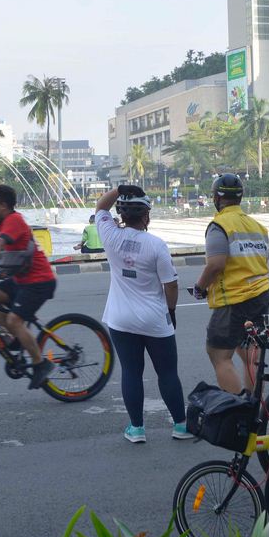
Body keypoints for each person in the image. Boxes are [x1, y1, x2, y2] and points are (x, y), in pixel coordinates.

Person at [95, 184, 189, 444]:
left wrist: (118, 189)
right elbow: (171, 285)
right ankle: (181, 425)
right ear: (146, 216)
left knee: (131, 372)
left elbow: (101, 207)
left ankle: (136, 429)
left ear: (122, 215)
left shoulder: (110, 235)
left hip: (120, 319)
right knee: (167, 373)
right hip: (154, 319)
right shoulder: (156, 245)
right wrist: (171, 310)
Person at [0, 184, 57, 389]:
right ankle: (17, 338)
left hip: (39, 281)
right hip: (22, 280)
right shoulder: (1, 224)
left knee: (14, 320)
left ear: (3, 206)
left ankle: (41, 364)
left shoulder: (14, 220)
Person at [191, 174, 269, 394]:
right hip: (261, 295)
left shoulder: (219, 225)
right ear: (240, 197)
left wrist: (199, 287)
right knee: (251, 354)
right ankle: (255, 405)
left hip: (234, 300)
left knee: (219, 354)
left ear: (217, 198)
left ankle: (236, 408)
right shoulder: (258, 226)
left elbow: (216, 264)